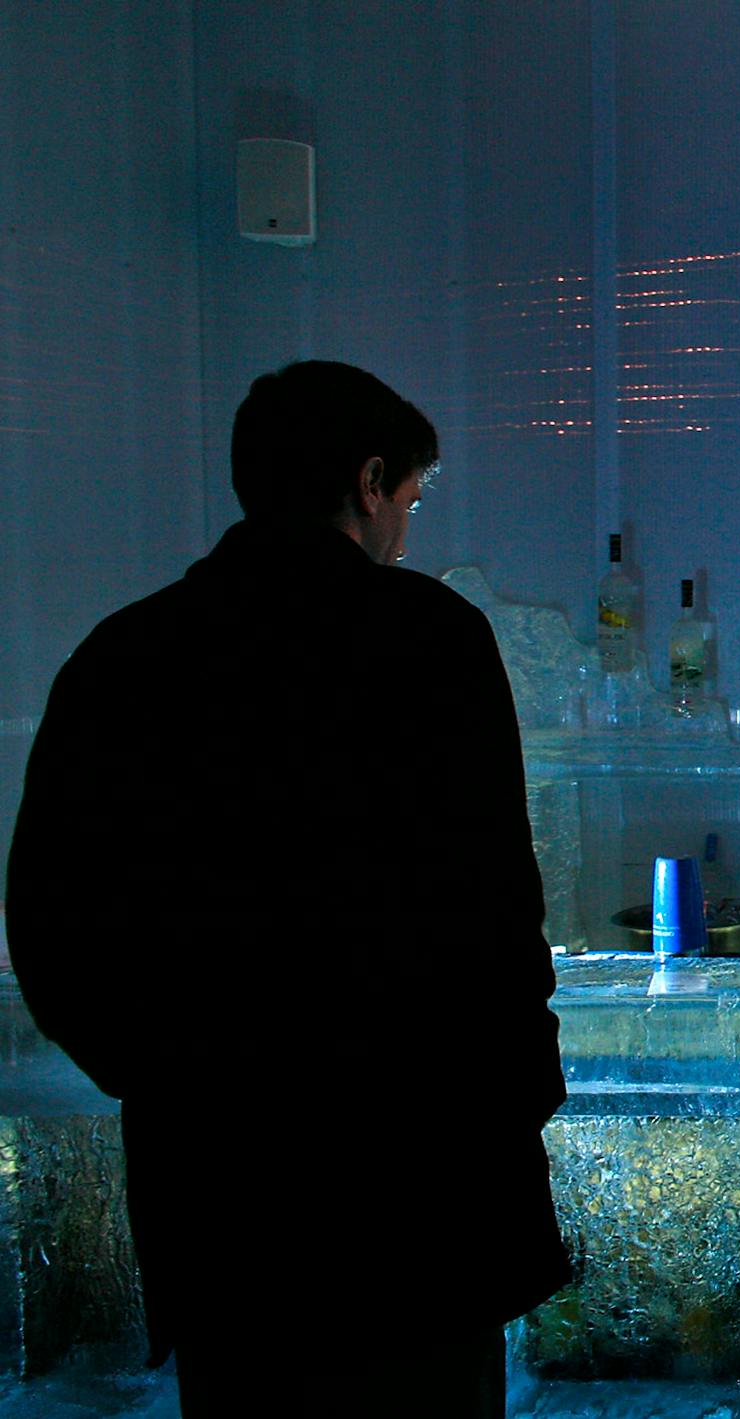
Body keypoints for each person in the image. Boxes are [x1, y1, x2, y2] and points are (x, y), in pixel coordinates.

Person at [5, 362, 569, 1415]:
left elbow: (50, 920)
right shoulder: (428, 639)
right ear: (368, 480)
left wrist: (159, 1073)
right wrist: (516, 1098)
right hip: (422, 1180)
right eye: (409, 495)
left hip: (220, 1186)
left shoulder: (124, 656)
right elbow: (493, 907)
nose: (407, 520)